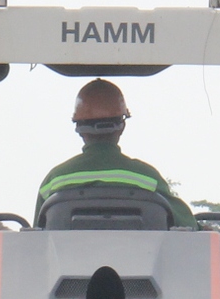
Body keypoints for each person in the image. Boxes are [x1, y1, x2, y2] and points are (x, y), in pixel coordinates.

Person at [35, 79, 198, 228]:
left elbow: (38, 236)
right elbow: (189, 225)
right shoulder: (149, 179)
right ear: (122, 127)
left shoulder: (54, 181)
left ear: (79, 130)